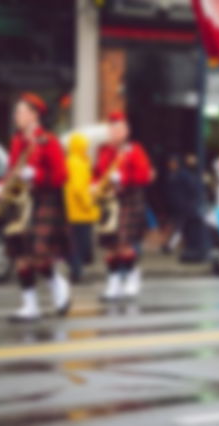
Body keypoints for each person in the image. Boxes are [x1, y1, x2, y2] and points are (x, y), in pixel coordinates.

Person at [0, 93, 71, 321]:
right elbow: (12, 172)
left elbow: (61, 175)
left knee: (39, 256)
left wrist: (36, 174)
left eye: (20, 111)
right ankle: (30, 306)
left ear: (34, 114)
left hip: (42, 200)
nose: (16, 115)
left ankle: (57, 283)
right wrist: (1, 188)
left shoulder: (48, 140)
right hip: (20, 203)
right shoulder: (17, 141)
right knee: (20, 255)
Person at [93, 112, 153, 302]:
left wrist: (123, 178)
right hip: (109, 200)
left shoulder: (134, 150)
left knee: (124, 244)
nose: (113, 132)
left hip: (128, 198)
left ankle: (133, 274)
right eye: (111, 128)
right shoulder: (104, 150)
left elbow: (144, 176)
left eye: (118, 128)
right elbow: (96, 172)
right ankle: (114, 283)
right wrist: (93, 184)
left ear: (126, 131)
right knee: (110, 245)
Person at [64, 133, 99, 283]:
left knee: (74, 244)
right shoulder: (77, 163)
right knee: (81, 245)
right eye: (85, 147)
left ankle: (75, 272)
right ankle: (77, 273)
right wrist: (89, 203)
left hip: (72, 211)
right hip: (81, 212)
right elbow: (79, 188)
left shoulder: (72, 161)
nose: (87, 149)